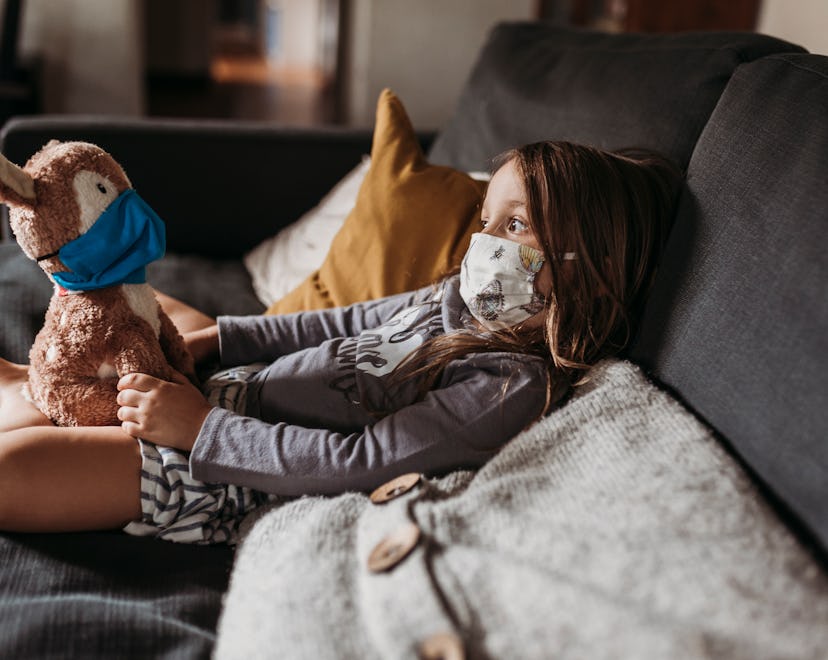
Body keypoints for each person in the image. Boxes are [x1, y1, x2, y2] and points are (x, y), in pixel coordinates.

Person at [0, 141, 680, 543]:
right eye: (486, 219)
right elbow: (335, 323)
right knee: (138, 312)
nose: (484, 243)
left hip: (237, 473)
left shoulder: (509, 385)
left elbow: (363, 462)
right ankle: (32, 385)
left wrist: (202, 430)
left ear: (592, 269)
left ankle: (43, 404)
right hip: (231, 399)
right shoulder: (460, 300)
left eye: (517, 226)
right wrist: (220, 340)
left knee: (19, 468)